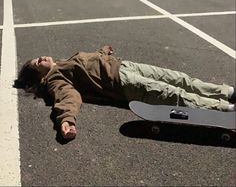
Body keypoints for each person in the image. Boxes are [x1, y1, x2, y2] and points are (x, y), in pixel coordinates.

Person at [14, 46, 236, 140]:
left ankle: (228, 92)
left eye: (40, 57)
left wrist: (103, 51)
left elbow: (91, 61)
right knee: (174, 94)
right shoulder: (55, 80)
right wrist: (66, 119)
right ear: (39, 75)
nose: (42, 58)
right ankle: (226, 109)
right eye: (38, 63)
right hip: (122, 81)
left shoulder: (63, 62)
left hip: (126, 66)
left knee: (180, 79)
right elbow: (68, 97)